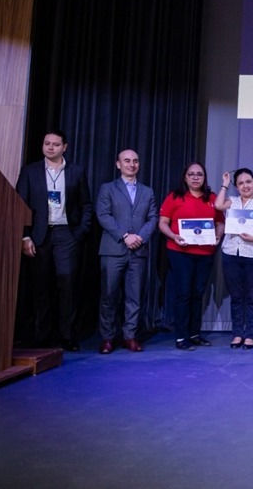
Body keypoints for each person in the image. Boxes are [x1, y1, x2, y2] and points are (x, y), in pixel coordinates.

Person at [16, 131, 93, 351]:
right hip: (39, 235)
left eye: (55, 144)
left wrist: (80, 232)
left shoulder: (76, 171)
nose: (50, 147)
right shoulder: (30, 171)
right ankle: (42, 337)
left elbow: (86, 204)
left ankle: (67, 336)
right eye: (47, 143)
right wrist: (25, 235)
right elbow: (20, 204)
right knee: (41, 287)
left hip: (66, 234)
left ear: (64, 147)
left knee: (67, 285)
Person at [95, 149, 158, 354]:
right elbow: (103, 215)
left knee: (134, 296)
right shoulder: (108, 188)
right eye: (127, 161)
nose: (132, 164)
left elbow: (153, 218)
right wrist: (124, 236)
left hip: (138, 250)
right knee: (109, 295)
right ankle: (107, 338)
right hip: (113, 250)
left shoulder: (147, 191)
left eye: (135, 161)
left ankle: (129, 336)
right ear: (118, 164)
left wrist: (140, 237)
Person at [157, 162, 224, 351]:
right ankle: (181, 336)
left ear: (204, 178)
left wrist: (218, 235)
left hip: (205, 253)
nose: (195, 177)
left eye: (200, 174)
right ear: (185, 177)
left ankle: (194, 334)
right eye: (191, 174)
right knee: (183, 294)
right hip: (180, 253)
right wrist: (173, 236)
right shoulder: (175, 196)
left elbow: (220, 222)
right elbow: (162, 223)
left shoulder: (212, 198)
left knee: (198, 294)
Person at [215, 168, 253, 349]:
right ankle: (237, 334)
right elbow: (217, 206)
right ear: (236, 187)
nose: (245, 186)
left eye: (248, 182)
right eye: (240, 183)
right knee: (236, 297)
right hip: (231, 253)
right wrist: (224, 185)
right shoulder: (231, 201)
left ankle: (249, 335)